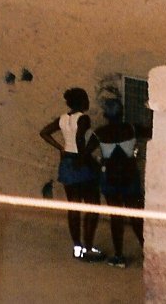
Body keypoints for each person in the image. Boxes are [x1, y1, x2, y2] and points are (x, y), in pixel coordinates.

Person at [39, 87, 103, 261]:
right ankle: (88, 247)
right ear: (81, 102)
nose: (88, 102)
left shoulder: (62, 118)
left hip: (66, 163)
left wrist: (60, 147)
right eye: (86, 99)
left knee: (73, 207)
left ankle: (77, 246)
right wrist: (84, 159)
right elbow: (80, 139)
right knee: (92, 205)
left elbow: (44, 132)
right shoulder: (83, 118)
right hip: (81, 163)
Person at [93, 97, 145, 268]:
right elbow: (151, 131)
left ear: (105, 115)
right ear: (122, 112)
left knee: (116, 217)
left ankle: (119, 256)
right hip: (130, 177)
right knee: (136, 216)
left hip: (110, 178)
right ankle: (147, 250)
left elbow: (86, 151)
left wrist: (101, 162)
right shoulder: (131, 129)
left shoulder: (101, 132)